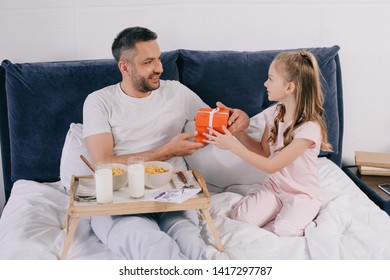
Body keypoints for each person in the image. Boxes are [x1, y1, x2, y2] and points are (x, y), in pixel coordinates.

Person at [82, 26, 249, 259]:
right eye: (148, 62)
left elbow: (216, 122)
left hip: (172, 192)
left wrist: (239, 118)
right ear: (125, 67)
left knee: (192, 247)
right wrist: (167, 151)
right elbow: (103, 163)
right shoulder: (100, 101)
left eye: (159, 59)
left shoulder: (176, 92)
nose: (159, 68)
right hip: (121, 198)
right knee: (154, 248)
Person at [204, 51, 332, 237]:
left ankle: (294, 216)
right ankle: (274, 213)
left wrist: (232, 146)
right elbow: (264, 152)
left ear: (289, 87)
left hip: (301, 195)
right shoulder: (275, 113)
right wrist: (238, 132)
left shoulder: (309, 129)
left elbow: (272, 165)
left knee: (284, 230)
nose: (265, 83)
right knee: (242, 219)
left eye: (271, 78)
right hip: (275, 188)